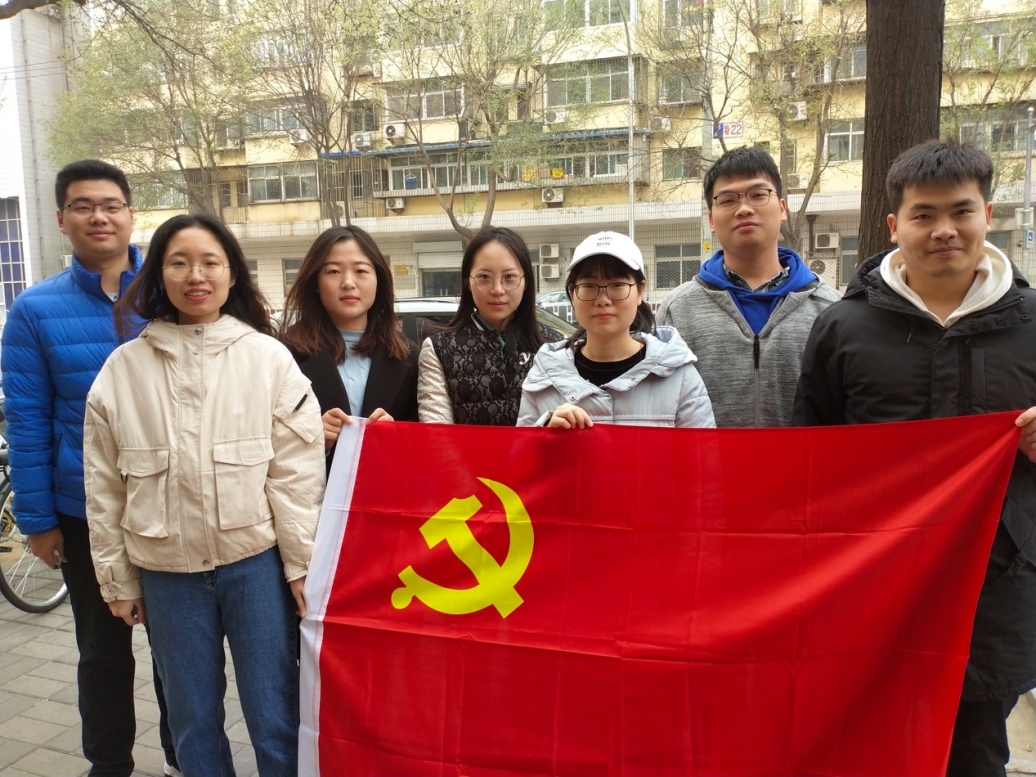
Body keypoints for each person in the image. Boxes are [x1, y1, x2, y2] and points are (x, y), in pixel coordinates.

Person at [793, 140, 1036, 777]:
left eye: (961, 211)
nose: (944, 230)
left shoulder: (1033, 324)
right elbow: (809, 459)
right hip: (870, 585)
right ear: (894, 226)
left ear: (988, 214)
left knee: (974, 751)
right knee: (865, 748)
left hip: (994, 586)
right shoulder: (843, 328)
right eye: (924, 215)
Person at [83, 213, 325, 777]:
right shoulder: (123, 369)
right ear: (158, 275)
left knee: (275, 714)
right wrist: (118, 581)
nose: (196, 275)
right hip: (167, 575)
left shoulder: (268, 359)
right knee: (192, 722)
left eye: (210, 262)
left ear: (232, 273)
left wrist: (301, 567)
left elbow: (295, 475)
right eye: (179, 262)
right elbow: (104, 485)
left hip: (254, 566)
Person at [0, 159, 179, 777]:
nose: (98, 217)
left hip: (171, 507)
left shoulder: (169, 294)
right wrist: (37, 520)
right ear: (61, 219)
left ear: (131, 214)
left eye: (110, 204)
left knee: (178, 649)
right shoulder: (34, 310)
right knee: (102, 652)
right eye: (82, 206)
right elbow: (26, 420)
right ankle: (108, 764)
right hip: (84, 514)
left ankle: (185, 756)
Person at [656, 146, 839, 427]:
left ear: (782, 208)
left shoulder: (829, 310)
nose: (744, 209)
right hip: (706, 459)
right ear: (711, 220)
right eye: (727, 200)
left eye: (758, 195)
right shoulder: (678, 311)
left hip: (804, 458)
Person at [518, 231, 715, 429]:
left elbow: (702, 448)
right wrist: (545, 435)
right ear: (572, 292)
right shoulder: (543, 376)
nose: (603, 300)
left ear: (640, 291)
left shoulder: (679, 377)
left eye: (618, 285)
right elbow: (521, 448)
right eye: (589, 286)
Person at [280, 225, 418, 466]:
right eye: (333, 271)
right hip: (312, 487)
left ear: (378, 280)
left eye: (361, 271)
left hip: (384, 486)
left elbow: (427, 444)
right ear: (315, 282)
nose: (348, 282)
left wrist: (398, 434)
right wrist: (312, 439)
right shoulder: (284, 354)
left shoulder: (409, 356)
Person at [418, 226, 561, 425]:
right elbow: (437, 433)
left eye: (509, 277)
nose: (497, 290)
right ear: (468, 282)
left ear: (526, 281)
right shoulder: (438, 349)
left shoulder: (555, 346)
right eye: (484, 277)